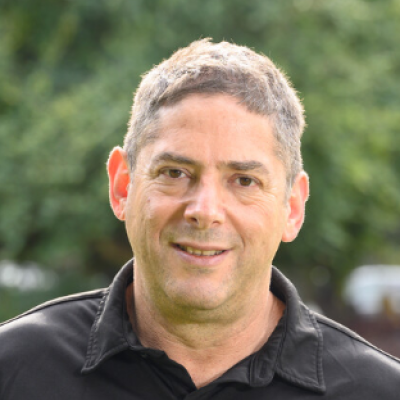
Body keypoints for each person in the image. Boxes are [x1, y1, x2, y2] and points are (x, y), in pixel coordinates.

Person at [0, 39, 399, 399]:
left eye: (244, 180)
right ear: (122, 186)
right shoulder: (13, 371)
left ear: (292, 207)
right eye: (175, 172)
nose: (205, 211)